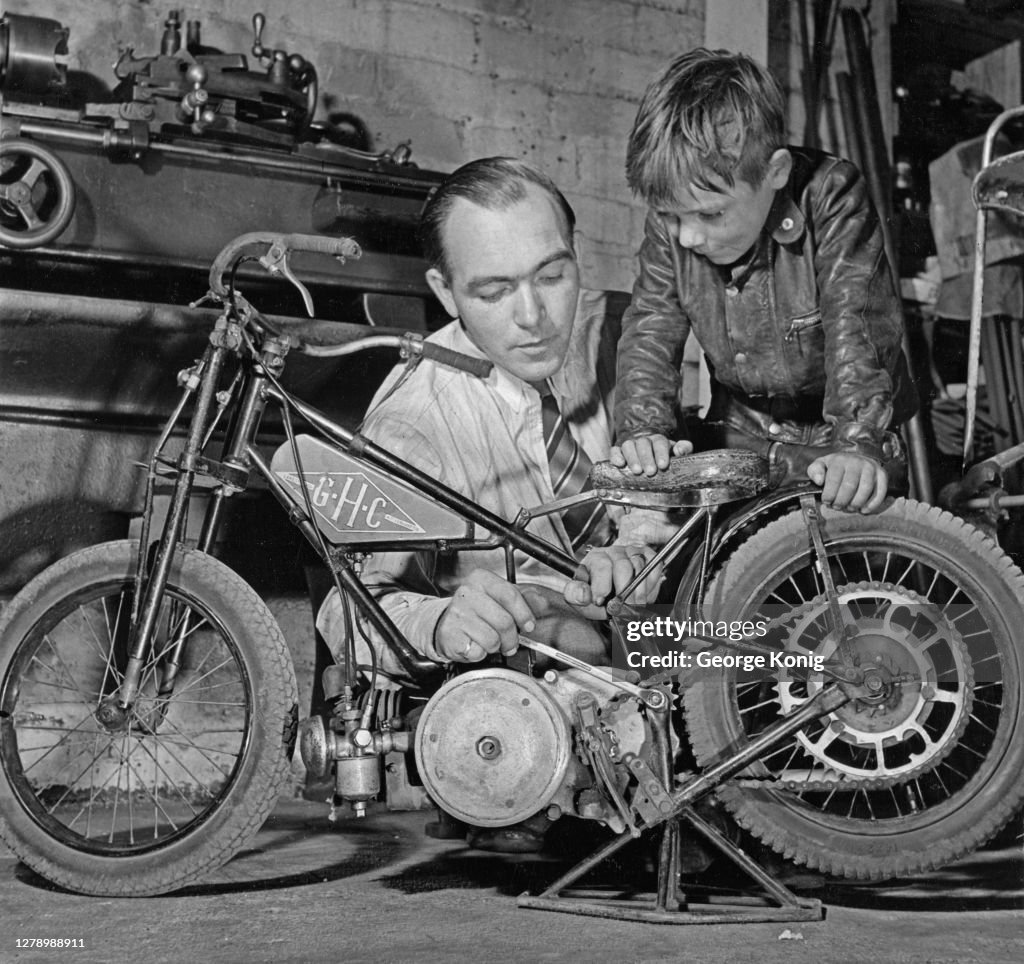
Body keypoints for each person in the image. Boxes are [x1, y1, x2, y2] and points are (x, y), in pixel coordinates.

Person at [316, 157, 667, 849]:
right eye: (494, 291)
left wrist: (644, 536)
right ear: (445, 293)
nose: (534, 317)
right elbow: (344, 612)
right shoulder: (414, 420)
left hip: (675, 658)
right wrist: (444, 623)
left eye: (552, 275)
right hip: (544, 705)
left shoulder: (633, 342)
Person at [611, 49, 917, 513]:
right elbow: (651, 327)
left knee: (856, 566)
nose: (689, 236)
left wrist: (857, 444)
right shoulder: (673, 227)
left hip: (840, 434)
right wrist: (643, 430)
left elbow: (856, 325)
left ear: (775, 172)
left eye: (711, 214)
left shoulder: (832, 196)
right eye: (672, 216)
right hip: (738, 432)